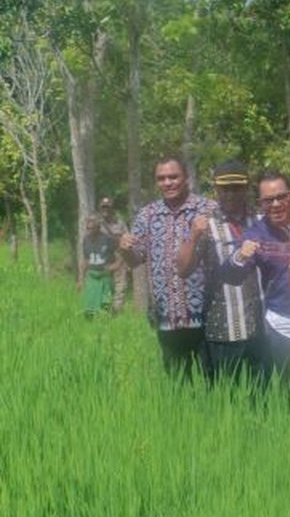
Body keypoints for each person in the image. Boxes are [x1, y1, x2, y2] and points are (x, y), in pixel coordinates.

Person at [119, 157, 217, 381]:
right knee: (178, 384)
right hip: (167, 316)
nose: (167, 183)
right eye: (161, 178)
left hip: (207, 316)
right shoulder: (147, 215)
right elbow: (135, 260)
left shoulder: (208, 210)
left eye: (173, 177)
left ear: (186, 178)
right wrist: (123, 249)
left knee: (213, 382)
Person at [221, 173, 290, 394]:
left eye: (281, 197)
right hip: (285, 322)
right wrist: (240, 256)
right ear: (260, 204)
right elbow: (231, 277)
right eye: (268, 200)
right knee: (289, 389)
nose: (275, 204)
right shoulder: (257, 233)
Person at [177, 161, 263, 384]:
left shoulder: (260, 220)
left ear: (247, 188)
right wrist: (193, 236)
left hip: (260, 330)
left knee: (262, 396)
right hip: (222, 329)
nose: (231, 194)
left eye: (237, 188)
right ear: (216, 189)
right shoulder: (205, 225)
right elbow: (183, 270)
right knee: (225, 396)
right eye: (225, 189)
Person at [79, 215, 118, 317]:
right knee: (90, 306)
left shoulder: (107, 239)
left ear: (98, 227)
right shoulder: (86, 240)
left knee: (105, 304)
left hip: (104, 275)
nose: (89, 230)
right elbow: (85, 260)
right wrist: (81, 279)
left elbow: (121, 251)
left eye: (92, 228)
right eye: (88, 228)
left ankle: (107, 322)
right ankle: (90, 322)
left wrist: (115, 266)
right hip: (92, 276)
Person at [98, 197, 129, 313]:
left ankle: (116, 314)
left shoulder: (120, 223)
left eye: (107, 207)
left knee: (120, 287)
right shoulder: (97, 223)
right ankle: (103, 312)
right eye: (103, 207)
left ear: (112, 208)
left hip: (118, 257)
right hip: (103, 259)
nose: (105, 210)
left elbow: (127, 240)